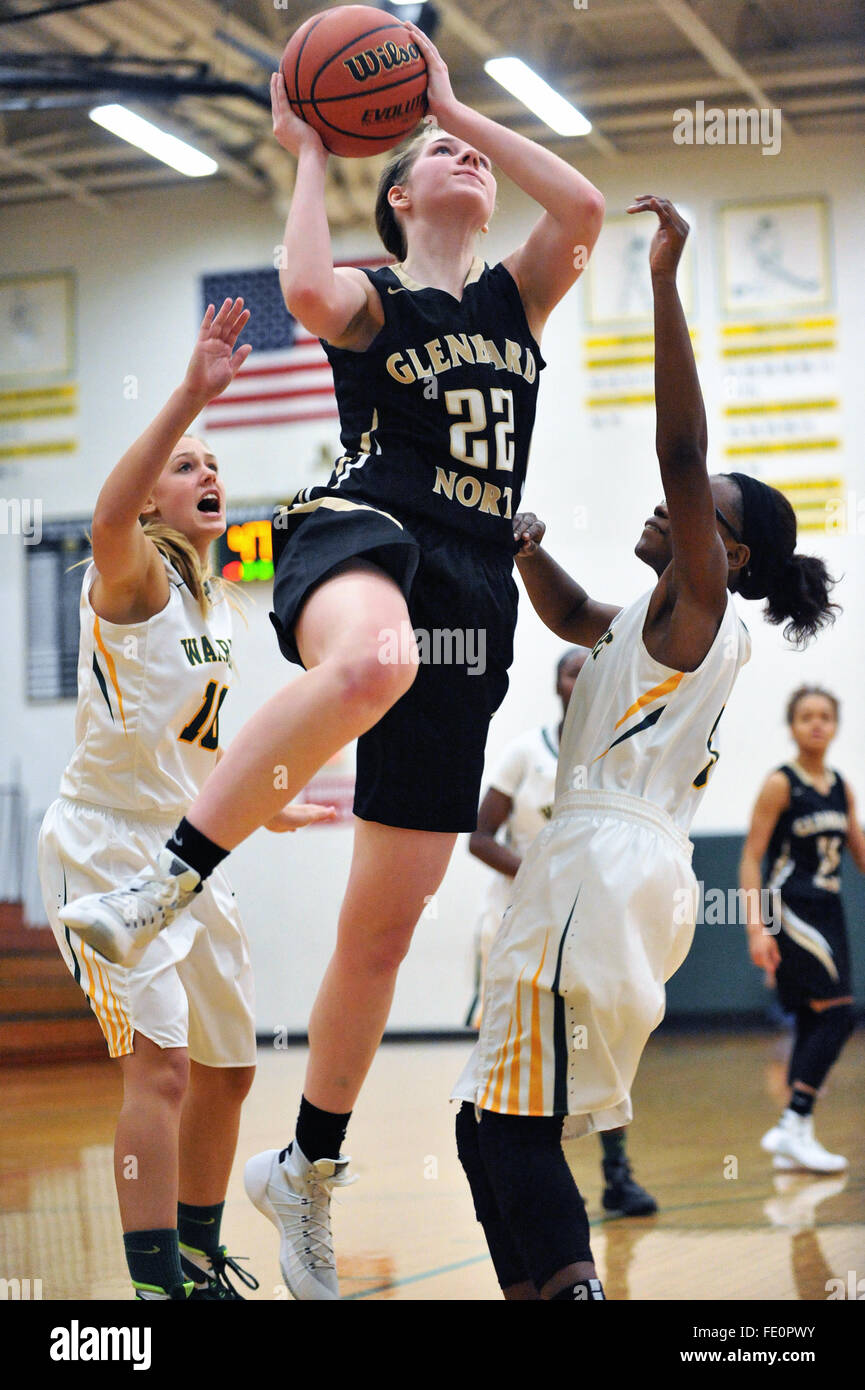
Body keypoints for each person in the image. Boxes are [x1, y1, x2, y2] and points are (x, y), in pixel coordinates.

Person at [59, 21, 605, 1301]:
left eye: (459, 157)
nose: (457, 167)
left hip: (474, 577)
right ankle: (159, 885)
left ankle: (304, 1166)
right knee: (370, 660)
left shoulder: (511, 296)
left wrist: (457, 110)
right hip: (364, 526)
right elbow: (303, 291)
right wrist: (307, 148)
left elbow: (578, 205)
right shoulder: (380, 291)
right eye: (426, 156)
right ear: (397, 197)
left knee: (388, 924)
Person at [452, 195, 839, 1301]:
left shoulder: (706, 610)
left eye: (689, 509)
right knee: (489, 1124)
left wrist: (663, 280)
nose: (664, 507)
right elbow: (575, 616)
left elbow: (680, 444)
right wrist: (527, 551)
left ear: (731, 548)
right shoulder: (652, 620)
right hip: (616, 867)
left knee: (511, 1122)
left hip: (601, 861)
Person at [39, 300, 332, 1301]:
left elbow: (196, 747)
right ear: (155, 502)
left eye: (212, 462)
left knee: (229, 1067)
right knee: (158, 1072)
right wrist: (189, 395)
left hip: (184, 850)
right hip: (104, 849)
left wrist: (260, 804)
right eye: (185, 465)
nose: (205, 473)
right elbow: (108, 514)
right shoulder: (131, 576)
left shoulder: (213, 600)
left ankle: (201, 1259)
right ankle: (156, 1288)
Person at [468, 648, 658, 1217]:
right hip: (519, 925)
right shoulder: (525, 753)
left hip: (593, 927)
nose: (582, 679)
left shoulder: (627, 753)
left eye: (591, 670)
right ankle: (526, 1178)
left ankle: (618, 1175)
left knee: (602, 1048)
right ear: (557, 685)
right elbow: (479, 836)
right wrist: (541, 876)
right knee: (518, 1056)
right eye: (572, 670)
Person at [740, 686, 864, 1173]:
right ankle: (793, 1121)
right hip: (788, 908)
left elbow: (858, 849)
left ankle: (799, 1133)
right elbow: (750, 857)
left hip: (829, 910)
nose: (816, 724)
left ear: (835, 725)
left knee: (816, 1019)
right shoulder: (780, 783)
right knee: (840, 1014)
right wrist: (756, 928)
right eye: (806, 716)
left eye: (825, 716)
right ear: (791, 726)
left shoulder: (840, 785)